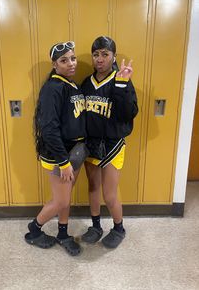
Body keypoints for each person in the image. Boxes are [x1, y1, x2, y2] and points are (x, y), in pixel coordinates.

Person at [25, 41, 86, 256]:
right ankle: (34, 229)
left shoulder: (71, 84)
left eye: (73, 58)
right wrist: (64, 162)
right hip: (59, 155)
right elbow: (49, 129)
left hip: (74, 151)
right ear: (54, 64)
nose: (71, 63)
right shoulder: (53, 88)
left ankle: (62, 233)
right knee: (61, 200)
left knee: (65, 198)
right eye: (64, 60)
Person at [81, 36, 138, 248]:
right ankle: (96, 226)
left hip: (113, 144)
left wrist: (122, 84)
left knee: (109, 193)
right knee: (93, 186)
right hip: (91, 144)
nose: (100, 59)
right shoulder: (87, 83)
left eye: (105, 54)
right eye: (96, 54)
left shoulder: (120, 79)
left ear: (113, 56)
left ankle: (119, 228)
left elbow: (128, 113)